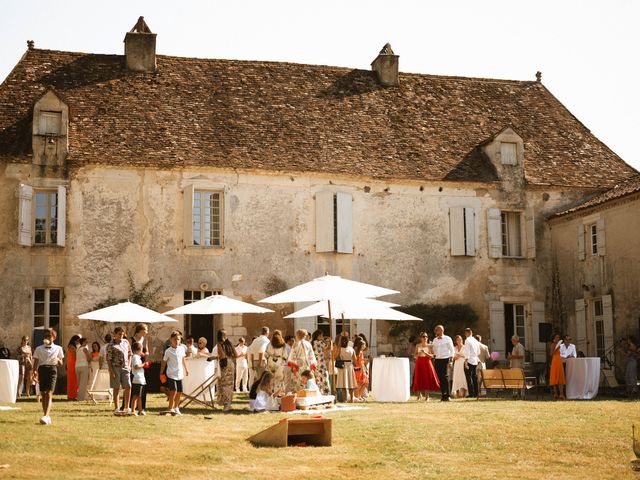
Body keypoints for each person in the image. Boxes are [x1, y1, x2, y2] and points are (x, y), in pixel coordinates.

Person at [32, 329, 64, 425]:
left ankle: (46, 415)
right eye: (46, 336)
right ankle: (45, 415)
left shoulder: (58, 348)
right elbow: (36, 362)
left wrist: (58, 360)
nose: (47, 337)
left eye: (49, 336)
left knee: (49, 393)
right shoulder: (39, 348)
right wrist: (34, 372)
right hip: (42, 370)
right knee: (43, 393)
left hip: (52, 370)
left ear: (54, 338)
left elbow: (61, 363)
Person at [160, 331, 189, 415]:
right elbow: (164, 362)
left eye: (178, 339)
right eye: (175, 339)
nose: (177, 341)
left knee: (179, 391)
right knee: (173, 390)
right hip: (171, 374)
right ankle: (170, 407)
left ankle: (176, 407)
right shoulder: (168, 351)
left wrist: (186, 369)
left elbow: (183, 359)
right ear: (171, 340)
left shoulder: (181, 349)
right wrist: (161, 372)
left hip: (179, 373)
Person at [107, 327, 133, 416]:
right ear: (114, 334)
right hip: (115, 367)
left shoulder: (126, 342)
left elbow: (130, 354)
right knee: (116, 387)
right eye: (119, 334)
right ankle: (116, 408)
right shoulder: (111, 345)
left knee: (128, 386)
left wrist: (129, 365)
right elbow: (109, 359)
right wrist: (111, 371)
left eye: (122, 334)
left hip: (125, 367)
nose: (121, 336)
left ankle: (126, 407)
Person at [412, 332, 439, 401]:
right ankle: (419, 395)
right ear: (420, 338)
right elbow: (415, 356)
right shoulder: (418, 345)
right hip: (419, 362)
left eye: (426, 336)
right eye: (423, 336)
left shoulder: (430, 346)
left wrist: (426, 353)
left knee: (427, 378)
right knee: (418, 377)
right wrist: (419, 354)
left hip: (427, 362)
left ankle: (427, 396)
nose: (425, 338)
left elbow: (432, 356)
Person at [432, 325, 455, 401]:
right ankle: (443, 395)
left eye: (437, 330)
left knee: (445, 377)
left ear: (442, 330)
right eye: (435, 330)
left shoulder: (447, 338)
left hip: (445, 359)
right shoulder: (435, 340)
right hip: (437, 359)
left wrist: (451, 361)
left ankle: (448, 395)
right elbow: (433, 351)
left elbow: (452, 350)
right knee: (440, 378)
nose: (436, 331)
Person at [216, 329, 237, 412]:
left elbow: (222, 356)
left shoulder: (219, 344)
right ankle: (229, 404)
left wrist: (217, 357)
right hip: (231, 364)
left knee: (224, 384)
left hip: (224, 366)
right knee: (230, 384)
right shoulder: (230, 343)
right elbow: (236, 355)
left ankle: (226, 405)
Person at [335, 335, 357, 403]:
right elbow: (355, 359)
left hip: (343, 366)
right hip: (349, 365)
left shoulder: (339, 348)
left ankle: (345, 399)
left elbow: (335, 356)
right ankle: (351, 398)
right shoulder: (351, 349)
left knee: (343, 383)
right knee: (351, 383)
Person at [462, 328, 480, 398]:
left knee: (469, 377)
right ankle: (476, 393)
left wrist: (466, 361)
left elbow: (467, 352)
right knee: (474, 377)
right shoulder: (476, 340)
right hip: (475, 360)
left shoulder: (467, 340)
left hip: (469, 360)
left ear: (467, 333)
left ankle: (471, 393)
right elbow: (478, 352)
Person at [311, 330, 331, 395]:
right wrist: (325, 340)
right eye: (321, 335)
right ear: (318, 336)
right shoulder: (319, 342)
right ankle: (326, 392)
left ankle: (318, 391)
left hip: (315, 362)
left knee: (317, 377)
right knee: (324, 377)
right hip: (321, 362)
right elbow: (327, 346)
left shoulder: (312, 342)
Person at [131, 342, 148, 416]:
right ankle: (132, 410)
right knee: (135, 396)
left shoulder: (137, 357)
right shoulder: (135, 357)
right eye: (141, 350)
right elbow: (136, 366)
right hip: (137, 379)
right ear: (137, 350)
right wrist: (144, 364)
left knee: (139, 396)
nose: (142, 352)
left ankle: (140, 410)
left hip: (141, 379)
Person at [549, 334, 566, 400]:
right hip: (555, 361)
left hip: (560, 361)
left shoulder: (561, 345)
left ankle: (561, 394)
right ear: (553, 338)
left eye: (558, 337)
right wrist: (556, 348)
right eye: (556, 337)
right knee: (555, 377)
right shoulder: (553, 345)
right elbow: (551, 354)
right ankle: (556, 394)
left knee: (560, 377)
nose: (557, 338)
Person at [353, 336, 369, 402]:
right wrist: (364, 371)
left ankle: (359, 396)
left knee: (363, 383)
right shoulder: (360, 352)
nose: (365, 346)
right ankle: (358, 396)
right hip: (359, 369)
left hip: (358, 369)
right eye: (364, 345)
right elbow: (360, 362)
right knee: (360, 383)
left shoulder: (358, 351)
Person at [66, 334, 81, 400]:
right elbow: (75, 356)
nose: (78, 342)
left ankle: (73, 395)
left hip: (73, 363)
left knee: (74, 380)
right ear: (74, 340)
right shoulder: (71, 346)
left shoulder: (73, 346)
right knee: (72, 380)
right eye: (78, 341)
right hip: (72, 364)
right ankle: (71, 395)